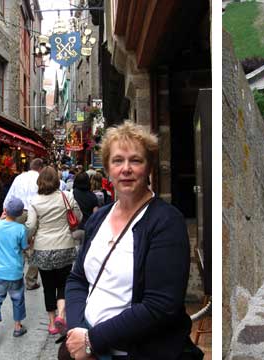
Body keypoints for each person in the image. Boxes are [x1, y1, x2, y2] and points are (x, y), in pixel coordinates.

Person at [65, 121, 199, 360]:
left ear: (149, 168)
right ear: (107, 168)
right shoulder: (99, 218)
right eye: (117, 160)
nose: (126, 168)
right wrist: (78, 332)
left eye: (135, 160)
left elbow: (160, 305)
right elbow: (78, 278)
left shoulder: (166, 222)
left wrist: (92, 341)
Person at [25, 166, 82, 335]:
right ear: (57, 181)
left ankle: (51, 323)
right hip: (65, 246)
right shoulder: (67, 196)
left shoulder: (35, 201)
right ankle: (62, 315)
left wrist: (28, 237)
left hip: (43, 249)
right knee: (64, 283)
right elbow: (78, 217)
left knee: (48, 286)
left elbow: (31, 226)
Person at [0, 197, 29, 347]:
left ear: (5, 210)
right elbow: (24, 246)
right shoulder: (21, 229)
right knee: (17, 299)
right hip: (15, 272)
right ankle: (17, 327)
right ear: (19, 214)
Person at [3, 158, 44, 290]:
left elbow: (9, 197)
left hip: (18, 213)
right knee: (34, 247)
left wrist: (5, 212)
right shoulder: (41, 178)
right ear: (41, 168)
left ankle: (16, 277)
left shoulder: (19, 178)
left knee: (16, 246)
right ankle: (31, 281)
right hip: (35, 213)